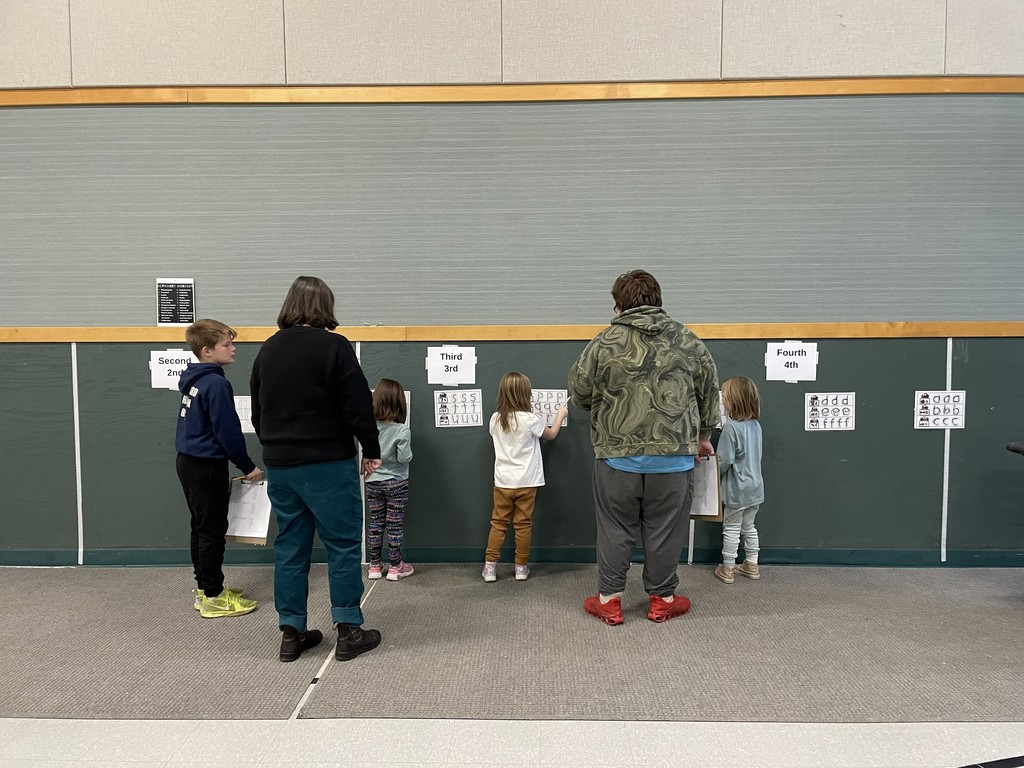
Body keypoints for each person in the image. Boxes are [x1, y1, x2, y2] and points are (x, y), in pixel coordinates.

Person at [568, 270, 720, 624]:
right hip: (674, 459)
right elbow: (709, 396)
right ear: (658, 300)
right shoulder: (688, 341)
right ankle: (663, 599)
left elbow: (579, 393)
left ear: (618, 303)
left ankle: (609, 600)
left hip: (617, 457)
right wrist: (703, 436)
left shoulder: (604, 342)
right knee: (665, 530)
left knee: (614, 529)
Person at [250, 276, 383, 663]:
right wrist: (370, 449)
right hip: (328, 462)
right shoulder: (334, 347)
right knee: (341, 544)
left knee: (291, 546)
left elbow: (258, 410)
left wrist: (275, 446)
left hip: (281, 465)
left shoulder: (268, 350)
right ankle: (348, 629)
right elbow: (357, 403)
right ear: (325, 306)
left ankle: (292, 633)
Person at [175, 319, 262, 619]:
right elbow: (228, 431)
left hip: (188, 463)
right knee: (212, 531)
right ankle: (213, 596)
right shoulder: (216, 383)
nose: (233, 348)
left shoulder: (195, 379)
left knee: (200, 528)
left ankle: (205, 588)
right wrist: (248, 467)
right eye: (227, 344)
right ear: (207, 351)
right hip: (206, 466)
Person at [482, 372, 568, 582]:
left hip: (503, 481)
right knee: (523, 525)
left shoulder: (495, 419)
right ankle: (521, 568)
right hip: (528, 482)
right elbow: (551, 435)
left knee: (498, 523)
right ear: (525, 394)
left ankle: (490, 568)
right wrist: (560, 416)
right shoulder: (531, 420)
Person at [713, 377, 765, 584]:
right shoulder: (756, 426)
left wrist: (711, 474)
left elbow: (724, 460)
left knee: (732, 527)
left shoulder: (731, 428)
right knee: (749, 526)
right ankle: (752, 563)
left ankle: (727, 568)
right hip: (755, 487)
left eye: (724, 396)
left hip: (737, 488)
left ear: (732, 400)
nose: (722, 400)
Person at [365, 379, 414, 582]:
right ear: (399, 403)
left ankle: (374, 565)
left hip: (373, 481)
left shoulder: (369, 428)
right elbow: (404, 458)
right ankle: (396, 567)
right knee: (394, 525)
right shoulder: (401, 430)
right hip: (396, 483)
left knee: (375, 523)